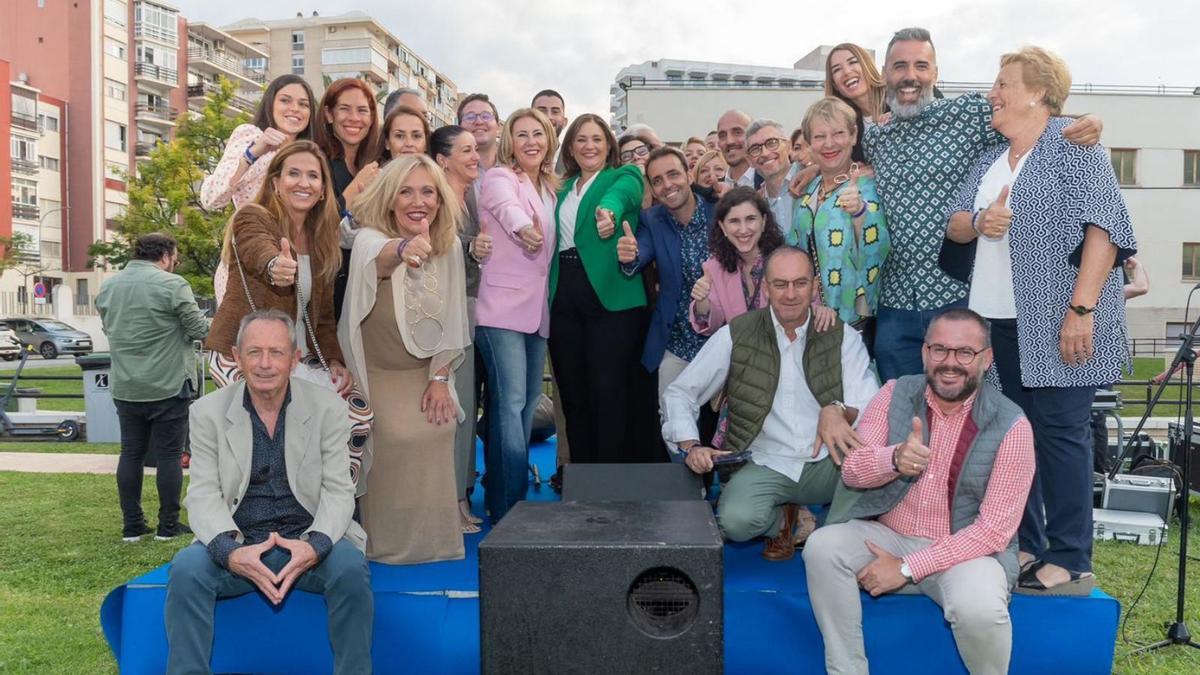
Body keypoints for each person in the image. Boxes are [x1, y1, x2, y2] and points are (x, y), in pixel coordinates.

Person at [946, 46, 1136, 594]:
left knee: (1062, 436)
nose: (993, 94)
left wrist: (1081, 310)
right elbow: (956, 223)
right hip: (997, 321)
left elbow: (1104, 230)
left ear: (1037, 92)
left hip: (1057, 319)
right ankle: (1027, 542)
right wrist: (981, 219)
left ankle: (1072, 555)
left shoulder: (1075, 148)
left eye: (1004, 83)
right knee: (1016, 438)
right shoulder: (992, 159)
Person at [803, 309, 1035, 675]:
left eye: (964, 353)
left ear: (987, 359)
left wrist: (908, 568)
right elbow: (852, 470)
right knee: (823, 547)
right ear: (925, 352)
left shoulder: (1012, 424)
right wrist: (893, 459)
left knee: (981, 608)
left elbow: (993, 532)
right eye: (940, 349)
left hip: (964, 552)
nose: (950, 363)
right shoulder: (895, 392)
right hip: (890, 537)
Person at [863, 27, 1101, 383]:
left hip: (958, 296)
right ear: (885, 74)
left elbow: (1035, 118)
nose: (910, 76)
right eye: (900, 66)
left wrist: (1088, 122)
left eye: (921, 66)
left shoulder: (969, 114)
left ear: (935, 73)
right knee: (900, 409)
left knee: (969, 414)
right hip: (895, 303)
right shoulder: (874, 137)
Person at [166, 310, 372, 674]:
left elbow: (340, 491)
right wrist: (229, 552)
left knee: (350, 568)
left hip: (307, 541)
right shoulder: (207, 412)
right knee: (187, 569)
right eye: (254, 352)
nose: (265, 364)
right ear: (236, 357)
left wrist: (316, 546)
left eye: (276, 353)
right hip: (240, 541)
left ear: (294, 359)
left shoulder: (328, 408)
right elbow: (202, 494)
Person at [663, 247, 878, 560]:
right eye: (780, 284)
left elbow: (870, 402)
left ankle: (832, 533)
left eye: (800, 283)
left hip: (827, 463)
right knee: (735, 522)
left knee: (878, 477)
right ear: (765, 288)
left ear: (815, 286)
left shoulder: (841, 335)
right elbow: (680, 391)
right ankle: (784, 521)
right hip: (766, 462)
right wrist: (690, 444)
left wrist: (838, 409)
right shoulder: (737, 334)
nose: (790, 294)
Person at [207, 141, 371, 487]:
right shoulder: (253, 217)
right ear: (276, 182)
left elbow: (323, 318)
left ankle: (332, 512)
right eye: (293, 173)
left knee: (357, 416)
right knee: (277, 439)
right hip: (243, 355)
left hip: (299, 360)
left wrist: (334, 361)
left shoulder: (322, 239)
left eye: (313, 176)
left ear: (325, 189)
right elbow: (256, 248)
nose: (303, 182)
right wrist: (274, 265)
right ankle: (255, 522)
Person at [340, 153, 471, 562]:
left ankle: (437, 543)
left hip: (424, 372)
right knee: (397, 435)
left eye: (428, 191)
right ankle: (386, 545)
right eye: (406, 191)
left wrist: (440, 379)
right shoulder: (368, 238)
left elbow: (454, 316)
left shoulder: (447, 245)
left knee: (439, 425)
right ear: (390, 199)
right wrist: (404, 248)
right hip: (376, 373)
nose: (419, 201)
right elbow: (379, 258)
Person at [549, 113, 650, 465]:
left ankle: (612, 479)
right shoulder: (559, 188)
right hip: (563, 295)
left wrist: (608, 211)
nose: (589, 146)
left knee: (608, 391)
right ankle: (583, 476)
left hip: (612, 298)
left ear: (609, 145)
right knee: (573, 393)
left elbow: (622, 195)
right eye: (581, 139)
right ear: (571, 149)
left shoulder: (623, 175)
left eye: (596, 139)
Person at [475, 108, 560, 522]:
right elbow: (507, 209)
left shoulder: (548, 187)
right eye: (521, 134)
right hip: (500, 309)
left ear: (548, 140)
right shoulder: (499, 178)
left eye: (537, 134)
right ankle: (509, 508)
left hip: (536, 311)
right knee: (509, 404)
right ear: (509, 141)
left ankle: (503, 492)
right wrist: (523, 228)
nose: (530, 141)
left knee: (526, 406)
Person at [96, 233, 209, 542]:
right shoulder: (173, 285)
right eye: (175, 257)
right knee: (170, 455)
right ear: (166, 255)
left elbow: (109, 328)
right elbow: (199, 329)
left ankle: (132, 526)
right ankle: (168, 525)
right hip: (168, 383)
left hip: (127, 386)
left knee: (130, 453)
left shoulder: (108, 287)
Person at [616, 147, 717, 411]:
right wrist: (630, 255)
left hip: (722, 340)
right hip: (676, 342)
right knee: (673, 426)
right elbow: (640, 253)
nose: (667, 185)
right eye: (657, 180)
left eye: (673, 174)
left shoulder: (719, 212)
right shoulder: (651, 220)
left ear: (689, 173)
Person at [202, 74, 317, 302]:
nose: (295, 109)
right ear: (270, 104)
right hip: (250, 263)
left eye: (303, 104)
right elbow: (212, 198)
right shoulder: (252, 136)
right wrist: (254, 152)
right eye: (285, 100)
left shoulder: (311, 153)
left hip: (296, 265)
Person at [789, 98, 890, 355]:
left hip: (853, 328)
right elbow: (794, 251)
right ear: (810, 144)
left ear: (854, 135)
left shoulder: (869, 186)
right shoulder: (807, 190)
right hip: (809, 323)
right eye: (820, 136)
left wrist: (859, 213)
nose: (830, 143)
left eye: (838, 133)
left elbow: (878, 251)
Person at [430, 124, 492, 532]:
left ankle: (459, 494)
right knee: (449, 412)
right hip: (441, 321)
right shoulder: (436, 203)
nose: (476, 156)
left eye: (476, 149)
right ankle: (447, 502)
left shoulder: (470, 199)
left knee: (464, 410)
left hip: (466, 314)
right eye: (466, 150)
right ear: (442, 160)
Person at [315, 78, 381, 212]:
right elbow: (316, 225)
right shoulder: (315, 160)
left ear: (372, 118)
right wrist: (357, 186)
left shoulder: (375, 164)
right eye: (344, 109)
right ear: (329, 114)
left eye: (362, 110)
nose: (354, 118)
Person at [746, 119, 798, 232]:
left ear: (789, 146)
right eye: (755, 149)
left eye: (772, 143)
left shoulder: (814, 180)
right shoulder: (756, 204)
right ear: (750, 161)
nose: (765, 153)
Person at [458, 93, 502, 174]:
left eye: (486, 116)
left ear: (498, 126)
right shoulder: (450, 168)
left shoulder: (517, 165)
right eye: (470, 117)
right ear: (459, 127)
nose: (479, 122)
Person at [716, 110, 758, 188]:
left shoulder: (769, 182)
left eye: (737, 132)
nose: (729, 141)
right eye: (722, 135)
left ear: (753, 136)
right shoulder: (713, 193)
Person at [618, 132, 656, 209]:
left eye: (642, 151)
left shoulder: (664, 188)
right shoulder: (620, 194)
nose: (636, 157)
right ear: (621, 164)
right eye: (626, 156)